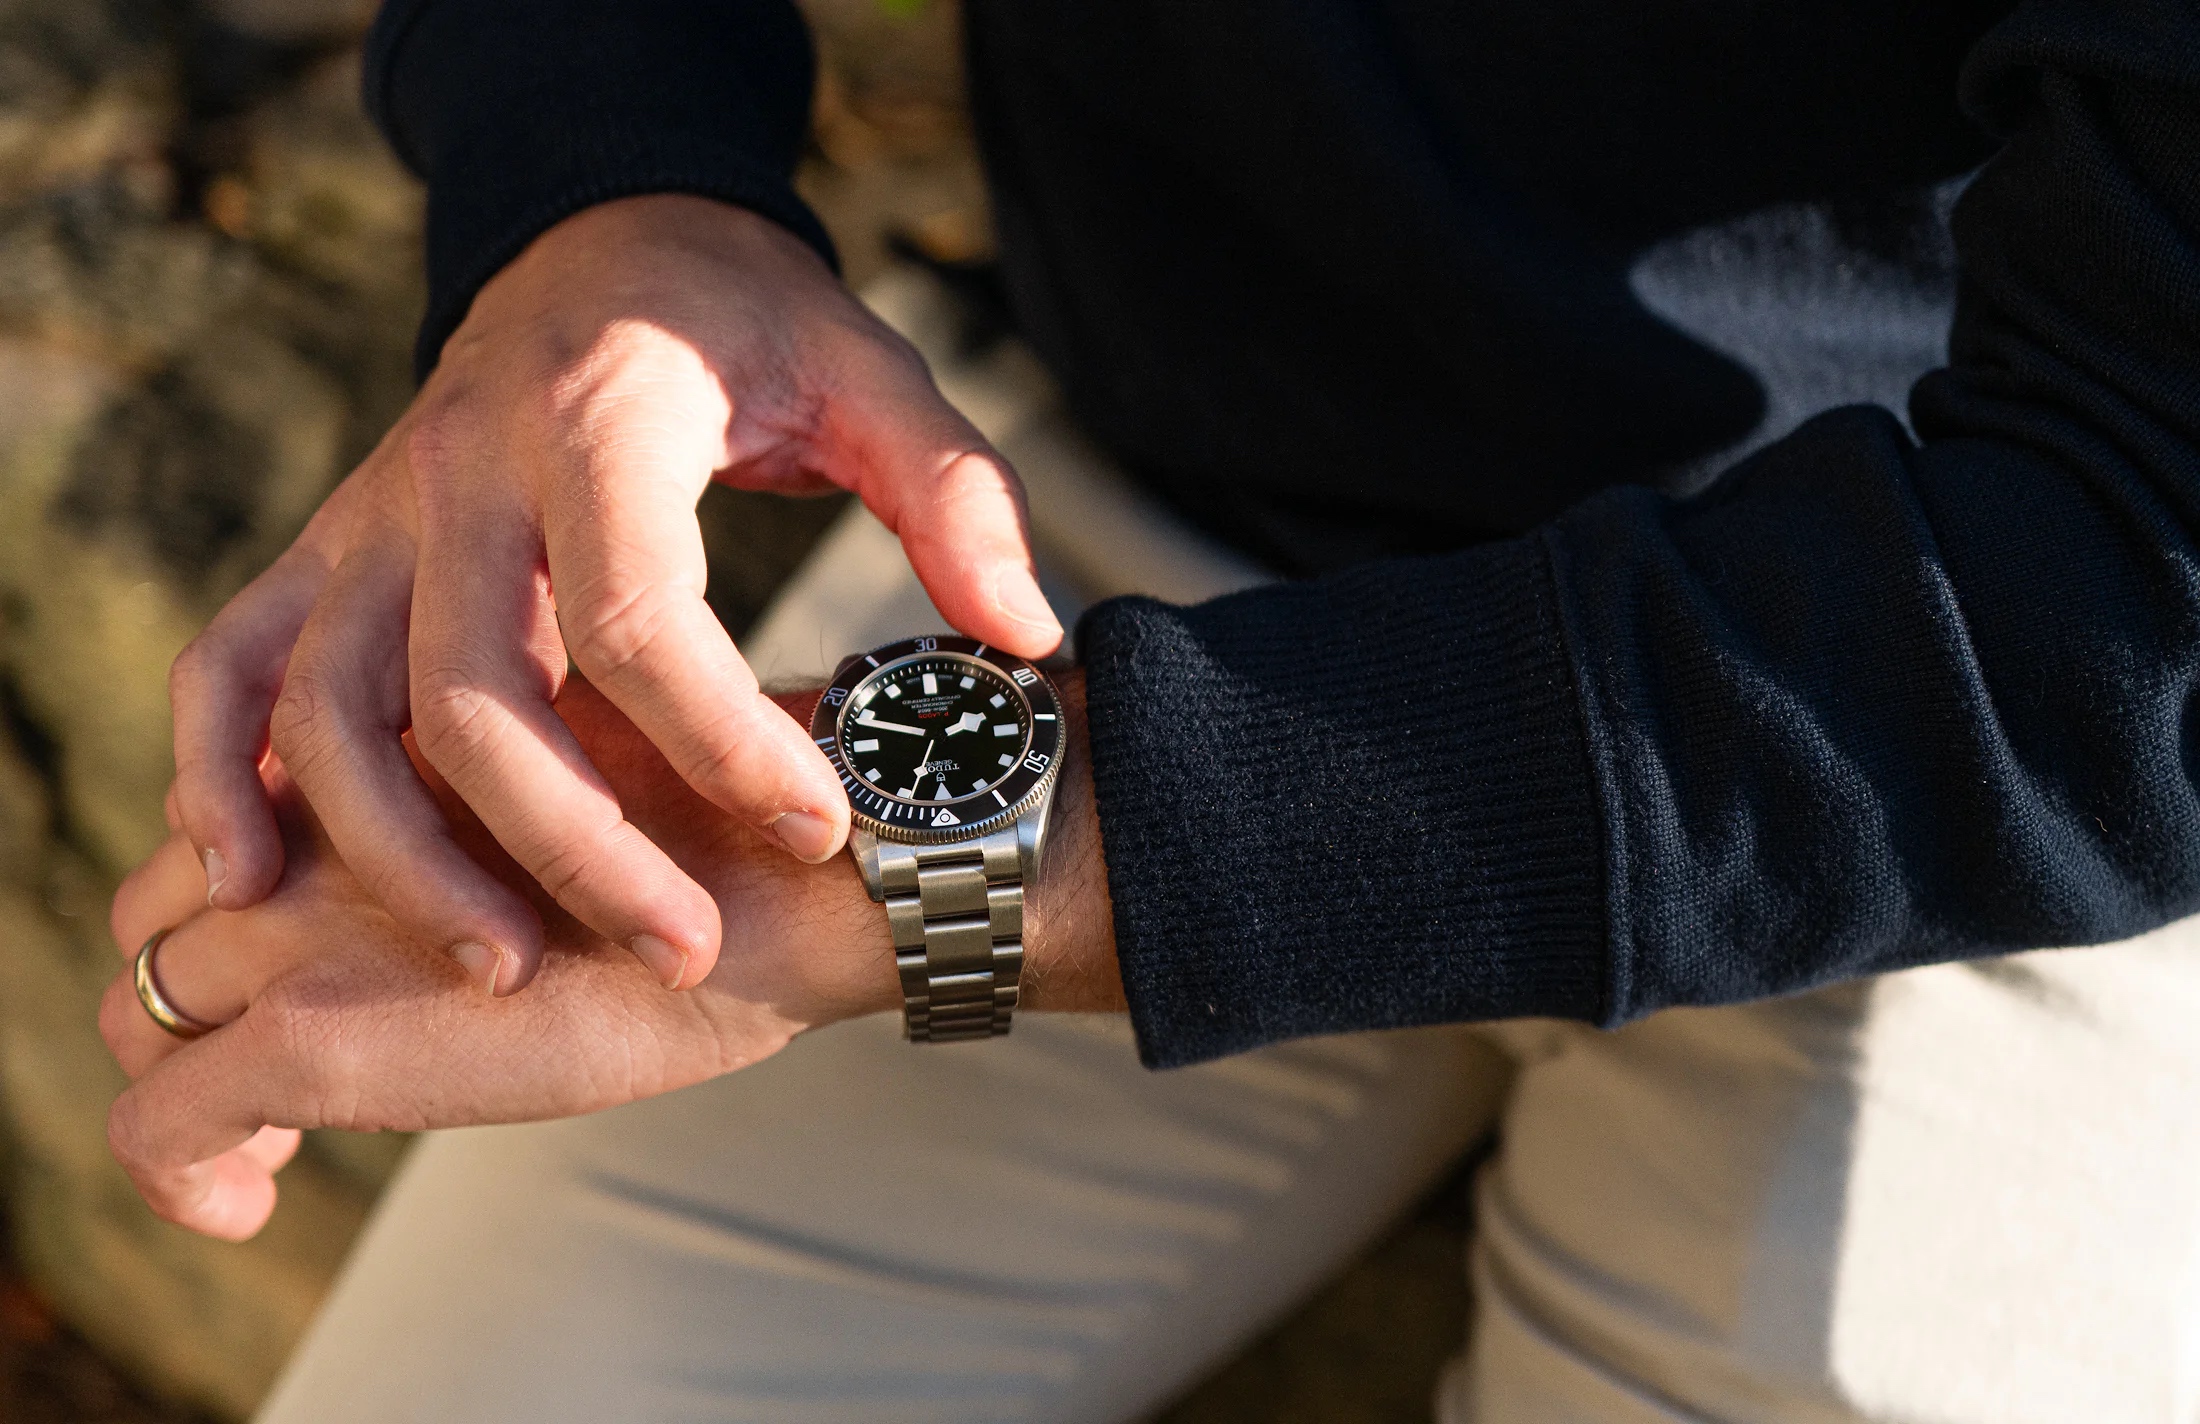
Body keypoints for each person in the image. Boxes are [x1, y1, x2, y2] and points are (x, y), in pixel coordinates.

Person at [100, 0, 2200, 1418]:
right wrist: (607, 194)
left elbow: (2142, 594)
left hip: (1939, 762)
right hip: (1122, 531)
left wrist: (909, 859)